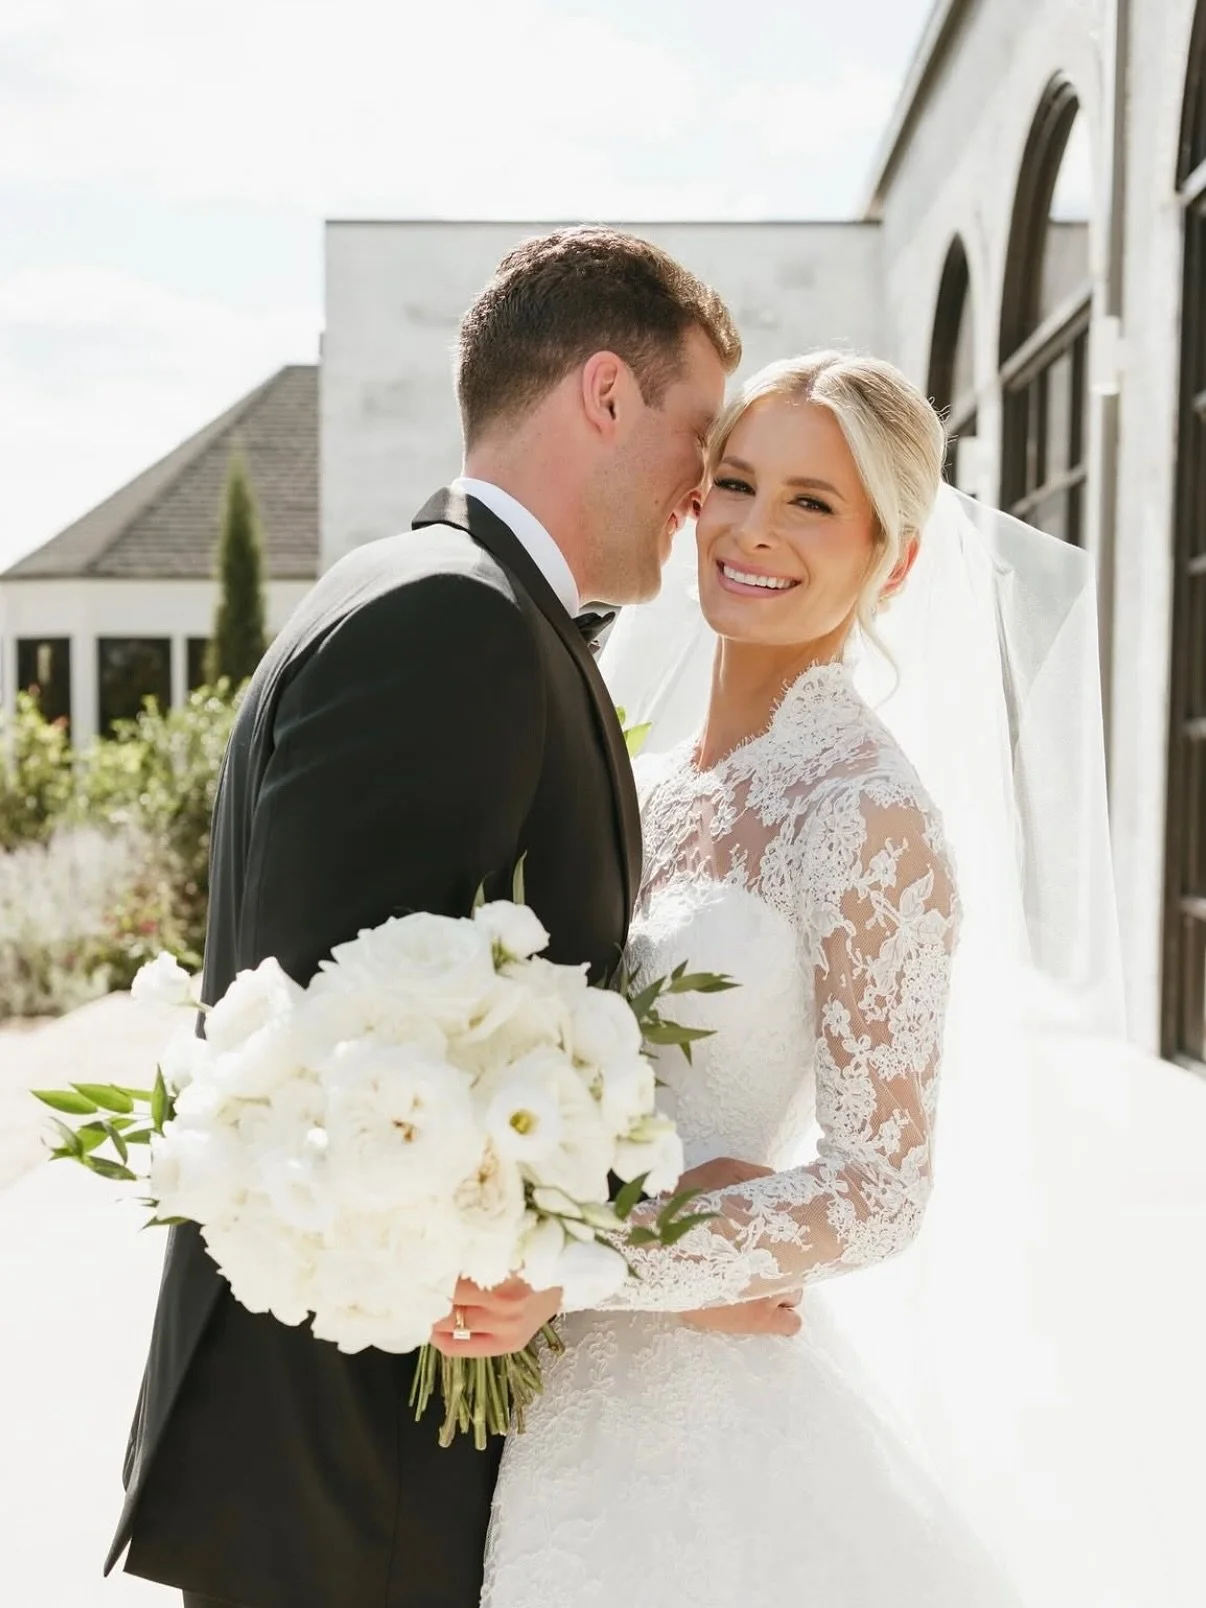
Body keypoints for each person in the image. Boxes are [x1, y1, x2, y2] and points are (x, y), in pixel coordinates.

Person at [105, 226, 802, 1608]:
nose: (706, 491)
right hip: (352, 1480)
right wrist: (657, 1263)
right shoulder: (452, 624)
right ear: (604, 395)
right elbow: (351, 1081)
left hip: (368, 1462)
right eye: (698, 433)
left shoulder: (434, 598)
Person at [480, 352, 1025, 1606]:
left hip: (693, 1416)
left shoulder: (868, 814)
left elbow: (882, 1186)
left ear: (893, 559)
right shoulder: (651, 777)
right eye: (736, 482)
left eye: (814, 503)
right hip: (539, 1371)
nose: (755, 531)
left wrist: (590, 1266)